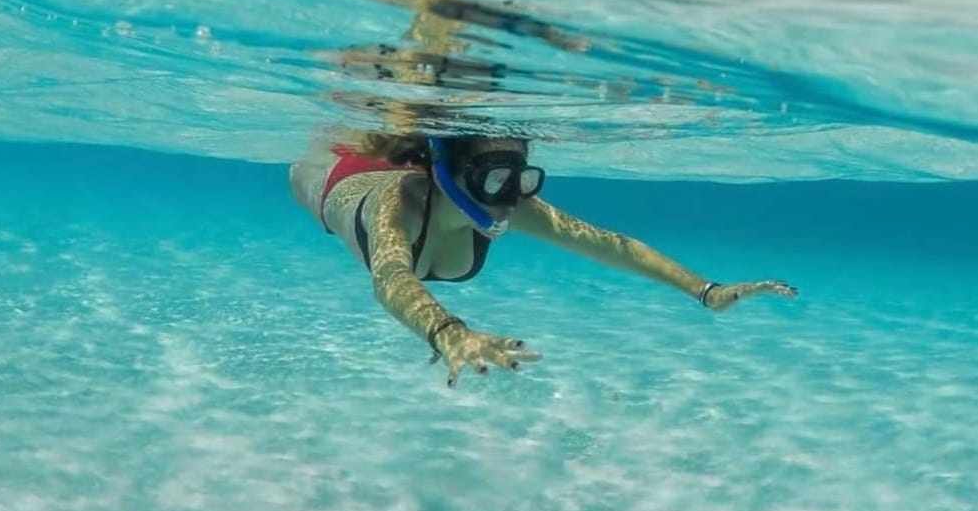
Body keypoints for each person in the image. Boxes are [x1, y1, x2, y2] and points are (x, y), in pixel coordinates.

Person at [290, 132, 798, 387]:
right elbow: (390, 276)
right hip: (337, 177)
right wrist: (447, 332)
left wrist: (704, 290)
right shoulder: (397, 204)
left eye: (520, 179)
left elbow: (607, 242)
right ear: (451, 174)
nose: (509, 197)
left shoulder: (503, 202)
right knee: (304, 169)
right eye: (495, 179)